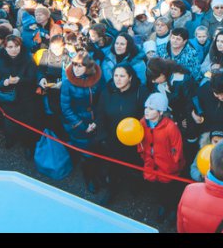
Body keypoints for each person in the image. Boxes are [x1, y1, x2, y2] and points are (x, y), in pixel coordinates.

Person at [96, 63, 149, 205]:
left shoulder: (141, 92)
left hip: (134, 141)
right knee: (113, 167)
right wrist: (102, 137)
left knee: (133, 167)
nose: (118, 79)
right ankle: (112, 189)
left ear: (130, 77)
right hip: (112, 139)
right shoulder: (107, 92)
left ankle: (134, 185)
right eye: (116, 76)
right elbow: (100, 115)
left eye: (122, 76)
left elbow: (145, 117)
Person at [60, 50, 105, 193]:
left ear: (88, 67)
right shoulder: (67, 83)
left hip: (95, 122)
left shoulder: (98, 79)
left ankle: (98, 175)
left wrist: (97, 121)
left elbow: (102, 101)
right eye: (74, 65)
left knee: (97, 151)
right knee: (86, 155)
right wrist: (82, 126)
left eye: (80, 66)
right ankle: (89, 179)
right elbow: (65, 108)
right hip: (77, 124)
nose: (76, 68)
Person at [0, 35, 39, 156]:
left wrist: (20, 80)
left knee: (28, 123)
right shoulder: (0, 61)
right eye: (10, 47)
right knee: (10, 122)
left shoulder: (27, 58)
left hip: (26, 97)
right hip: (8, 97)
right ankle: (11, 138)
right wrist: (4, 82)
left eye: (17, 46)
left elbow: (33, 78)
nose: (14, 49)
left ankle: (28, 145)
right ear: (5, 48)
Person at [138, 92, 185, 221]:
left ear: (160, 112)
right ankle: (162, 205)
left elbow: (177, 148)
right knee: (157, 188)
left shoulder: (170, 127)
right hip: (151, 164)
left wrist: (174, 164)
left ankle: (171, 208)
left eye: (151, 109)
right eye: (146, 108)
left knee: (170, 189)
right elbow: (139, 141)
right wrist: (143, 153)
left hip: (167, 167)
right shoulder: (142, 123)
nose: (147, 111)